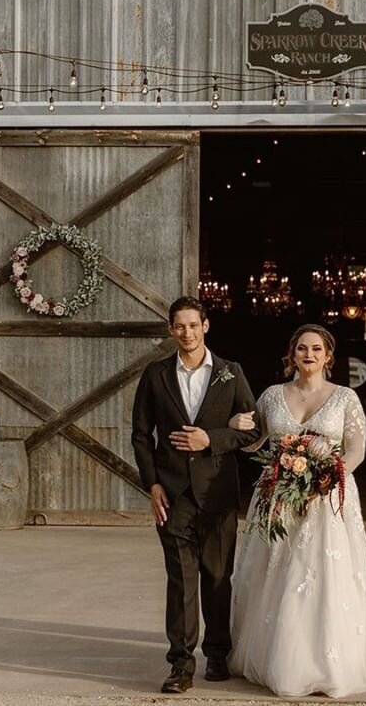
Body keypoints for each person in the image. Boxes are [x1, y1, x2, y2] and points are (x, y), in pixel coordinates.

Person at [227, 324, 366, 698]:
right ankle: (274, 654)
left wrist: (327, 478)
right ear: (291, 354)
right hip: (278, 495)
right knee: (275, 571)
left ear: (328, 356)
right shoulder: (272, 396)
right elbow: (254, 444)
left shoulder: (345, 398)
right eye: (301, 349)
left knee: (322, 576)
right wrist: (234, 426)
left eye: (316, 349)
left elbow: (357, 450)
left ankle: (325, 663)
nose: (308, 355)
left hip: (327, 499)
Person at [131, 296, 259, 694]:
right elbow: (140, 434)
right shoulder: (155, 375)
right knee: (181, 582)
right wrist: (151, 483)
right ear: (171, 330)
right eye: (179, 326)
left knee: (219, 579)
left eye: (193, 325)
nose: (186, 332)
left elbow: (254, 430)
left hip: (218, 492)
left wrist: (212, 439)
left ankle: (217, 655)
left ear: (206, 326)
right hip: (172, 494)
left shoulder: (230, 373)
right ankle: (181, 665)